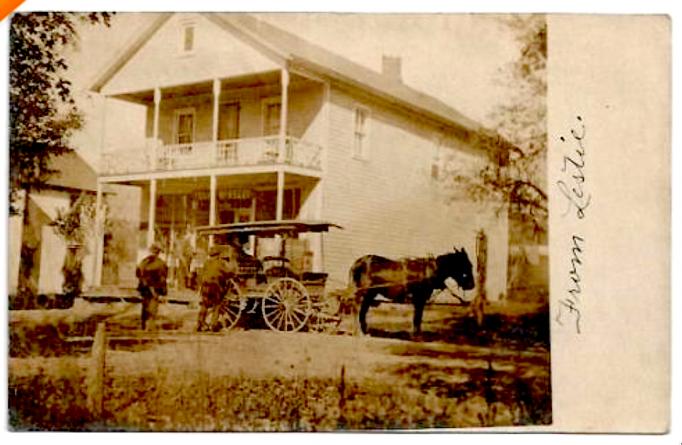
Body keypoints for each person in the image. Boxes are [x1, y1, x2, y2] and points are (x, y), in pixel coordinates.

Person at [197, 245, 236, 332]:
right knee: (217, 306)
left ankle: (200, 324)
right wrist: (233, 271)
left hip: (205, 286)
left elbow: (202, 274)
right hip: (214, 287)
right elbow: (227, 273)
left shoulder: (206, 262)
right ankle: (213, 325)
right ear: (218, 255)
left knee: (204, 305)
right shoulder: (219, 263)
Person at [136, 243, 168, 330]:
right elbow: (162, 279)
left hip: (144, 289)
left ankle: (143, 327)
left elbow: (138, 273)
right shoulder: (161, 263)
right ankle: (149, 330)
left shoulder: (143, 262)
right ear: (158, 252)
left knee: (145, 308)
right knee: (152, 310)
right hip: (155, 289)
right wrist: (164, 293)